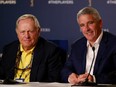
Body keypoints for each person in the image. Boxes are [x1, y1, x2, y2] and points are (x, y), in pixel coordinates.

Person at [0, 14, 66, 83]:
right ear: (17, 32)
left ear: (38, 31)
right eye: (22, 32)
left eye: (30, 31)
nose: (26, 36)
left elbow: (53, 80)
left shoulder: (51, 50)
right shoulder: (8, 49)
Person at [61, 6, 116, 84]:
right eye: (82, 25)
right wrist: (70, 76)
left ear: (100, 23)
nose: (86, 29)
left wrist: (94, 78)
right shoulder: (77, 45)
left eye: (90, 23)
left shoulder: (113, 43)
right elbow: (65, 69)